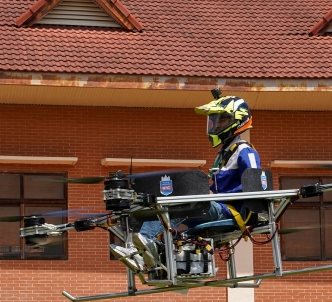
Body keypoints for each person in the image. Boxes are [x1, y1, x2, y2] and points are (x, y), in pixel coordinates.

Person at [109, 95, 261, 272]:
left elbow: (255, 188)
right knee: (163, 202)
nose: (216, 125)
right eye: (214, 121)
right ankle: (143, 252)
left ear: (238, 120)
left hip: (230, 213)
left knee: (182, 200)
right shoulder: (225, 153)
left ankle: (143, 249)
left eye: (222, 120)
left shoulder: (245, 152)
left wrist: (211, 195)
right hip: (218, 208)